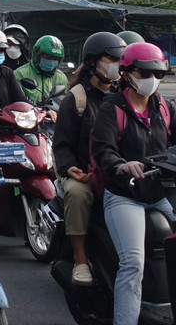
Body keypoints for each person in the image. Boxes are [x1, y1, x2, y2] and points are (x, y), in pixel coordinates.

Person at [90, 41, 176, 325]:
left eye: (157, 74)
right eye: (145, 73)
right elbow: (103, 150)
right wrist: (122, 165)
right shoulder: (114, 108)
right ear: (127, 73)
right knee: (133, 262)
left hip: (161, 193)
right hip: (125, 195)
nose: (152, 79)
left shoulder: (162, 106)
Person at [54, 32, 126, 286]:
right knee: (76, 192)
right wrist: (71, 168)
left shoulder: (124, 97)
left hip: (118, 170)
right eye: (111, 58)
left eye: (121, 58)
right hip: (85, 172)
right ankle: (81, 259)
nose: (117, 63)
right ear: (94, 61)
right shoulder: (77, 99)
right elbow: (62, 144)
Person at [14, 35, 68, 114]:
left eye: (55, 59)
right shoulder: (20, 74)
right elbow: (17, 102)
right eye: (47, 57)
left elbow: (64, 103)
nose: (51, 61)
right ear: (37, 54)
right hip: (27, 119)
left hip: (53, 121)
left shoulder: (61, 77)